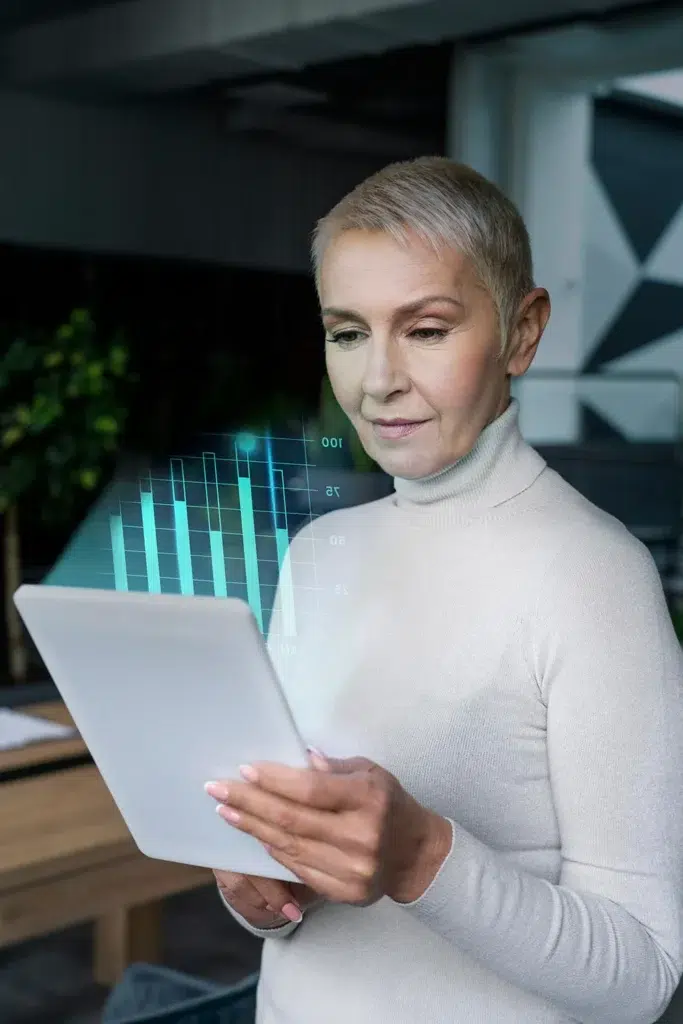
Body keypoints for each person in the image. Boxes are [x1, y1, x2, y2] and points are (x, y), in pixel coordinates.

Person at [205, 156, 683, 1023]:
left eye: (424, 330)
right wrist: (257, 889)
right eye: (347, 333)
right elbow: (288, 903)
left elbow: (644, 975)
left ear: (521, 332)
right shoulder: (320, 553)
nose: (378, 378)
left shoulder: (594, 576)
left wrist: (420, 855)